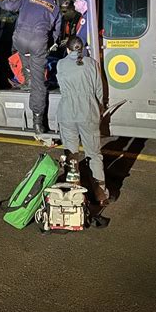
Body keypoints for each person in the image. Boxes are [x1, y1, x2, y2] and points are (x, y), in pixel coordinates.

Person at [0, 0, 61, 137]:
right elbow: (56, 34)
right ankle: (37, 123)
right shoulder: (55, 9)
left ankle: (27, 78)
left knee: (23, 53)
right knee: (39, 84)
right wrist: (46, 47)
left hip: (19, 41)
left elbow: (9, 6)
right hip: (38, 43)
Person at [56, 35, 109, 205]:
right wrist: (98, 109)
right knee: (94, 155)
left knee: (71, 155)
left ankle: (73, 194)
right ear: (83, 48)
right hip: (88, 112)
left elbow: (61, 85)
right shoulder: (92, 63)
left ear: (68, 49)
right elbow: (99, 90)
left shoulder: (61, 64)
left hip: (67, 113)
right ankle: (100, 195)